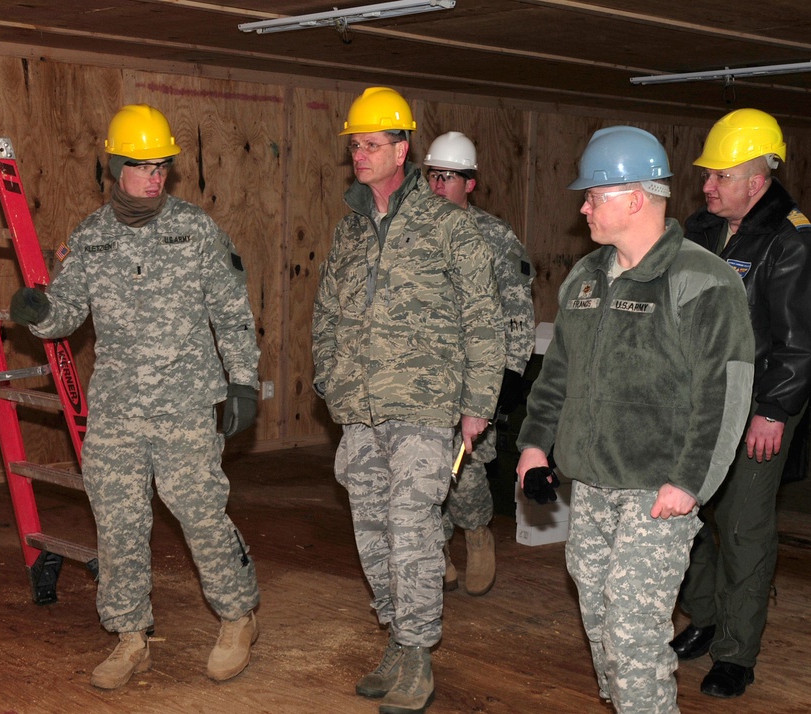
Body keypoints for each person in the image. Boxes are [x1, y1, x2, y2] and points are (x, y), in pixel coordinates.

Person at [9, 104, 261, 690]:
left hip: (185, 403)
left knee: (200, 512)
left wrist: (243, 380)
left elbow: (232, 312)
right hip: (118, 407)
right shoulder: (90, 237)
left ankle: (237, 616)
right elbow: (67, 312)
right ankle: (130, 636)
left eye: (162, 166)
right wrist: (40, 312)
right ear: (116, 167)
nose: (155, 177)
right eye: (143, 166)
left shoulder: (195, 230)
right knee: (118, 520)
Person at [516, 125, 755, 713]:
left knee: (633, 632)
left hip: (657, 491)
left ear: (635, 199)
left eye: (593, 196)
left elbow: (724, 396)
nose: (583, 208)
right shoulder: (585, 278)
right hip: (591, 486)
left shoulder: (704, 280)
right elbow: (557, 374)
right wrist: (534, 445)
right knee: (600, 623)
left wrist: (689, 482)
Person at [312, 86, 504, 714]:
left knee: (413, 528)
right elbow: (327, 312)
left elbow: (484, 320)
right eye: (355, 145)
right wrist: (329, 378)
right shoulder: (349, 230)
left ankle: (418, 652)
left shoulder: (449, 226)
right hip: (359, 409)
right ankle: (396, 638)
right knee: (371, 531)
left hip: (424, 408)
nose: (359, 155)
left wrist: (478, 403)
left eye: (371, 144)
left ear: (402, 150)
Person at [671, 108, 811, 698]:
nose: (706, 185)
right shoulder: (701, 228)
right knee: (686, 513)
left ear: (756, 182)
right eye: (707, 175)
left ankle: (735, 653)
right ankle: (705, 618)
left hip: (759, 402)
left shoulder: (790, 239)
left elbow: (800, 341)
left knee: (743, 526)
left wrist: (773, 411)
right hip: (700, 396)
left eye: (719, 176)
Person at [423, 131, 536, 596]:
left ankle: (476, 534)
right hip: (422, 375)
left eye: (448, 177)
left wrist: (511, 372)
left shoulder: (494, 236)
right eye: (433, 175)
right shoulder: (412, 232)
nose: (438, 185)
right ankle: (436, 551)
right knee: (422, 471)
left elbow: (517, 308)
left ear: (469, 183)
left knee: (465, 470)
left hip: (475, 375)